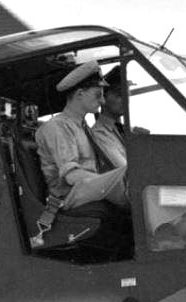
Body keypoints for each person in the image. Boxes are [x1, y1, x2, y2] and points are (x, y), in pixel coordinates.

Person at [35, 60, 128, 210]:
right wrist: (112, 183)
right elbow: (72, 176)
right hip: (71, 196)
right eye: (98, 95)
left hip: (87, 190)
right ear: (80, 94)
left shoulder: (84, 128)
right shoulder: (58, 126)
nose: (102, 101)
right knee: (130, 175)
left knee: (138, 175)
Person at [89, 66, 129, 170]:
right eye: (119, 94)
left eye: (127, 94)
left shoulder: (126, 130)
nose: (125, 100)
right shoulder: (99, 134)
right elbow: (125, 170)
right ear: (103, 98)